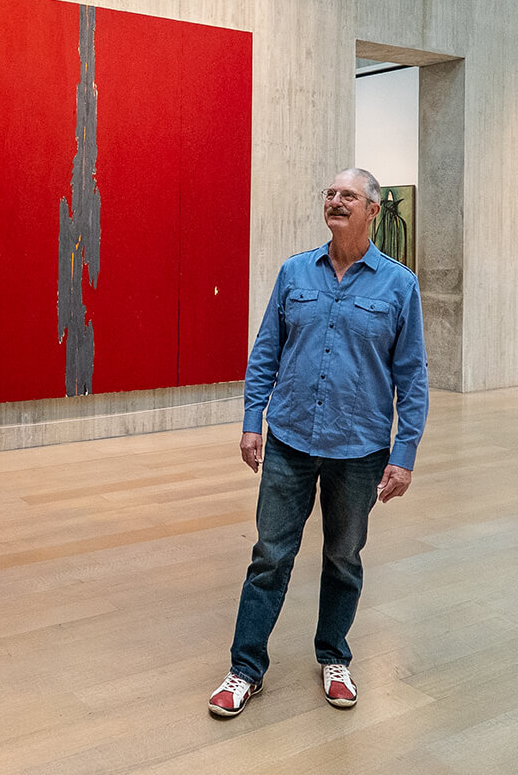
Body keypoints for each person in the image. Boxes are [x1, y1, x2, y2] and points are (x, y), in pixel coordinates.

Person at [208, 167, 429, 717]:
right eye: (330, 194)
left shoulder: (399, 285)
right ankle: (244, 670)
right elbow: (266, 352)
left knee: (343, 558)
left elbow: (413, 377)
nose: (335, 201)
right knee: (269, 556)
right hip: (290, 441)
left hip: (360, 451)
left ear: (372, 210)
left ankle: (333, 657)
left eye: (348, 196)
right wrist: (251, 420)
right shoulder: (293, 273)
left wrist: (404, 456)